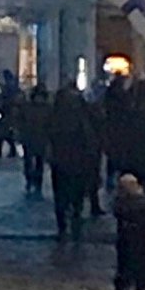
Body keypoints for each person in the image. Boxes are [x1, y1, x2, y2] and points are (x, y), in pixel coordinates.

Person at [46, 79, 102, 239]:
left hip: (62, 161)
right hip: (76, 161)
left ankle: (63, 224)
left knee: (61, 194)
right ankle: (73, 221)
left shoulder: (56, 117)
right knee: (75, 193)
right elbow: (89, 139)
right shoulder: (81, 118)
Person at [110, 170, 145, 290]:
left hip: (125, 238)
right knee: (143, 266)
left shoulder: (120, 203)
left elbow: (117, 213)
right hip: (143, 239)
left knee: (124, 266)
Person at [19, 82, 52, 196]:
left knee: (39, 162)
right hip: (30, 138)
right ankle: (30, 180)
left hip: (39, 138)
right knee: (29, 161)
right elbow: (21, 121)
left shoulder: (47, 109)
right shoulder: (29, 108)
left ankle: (37, 182)